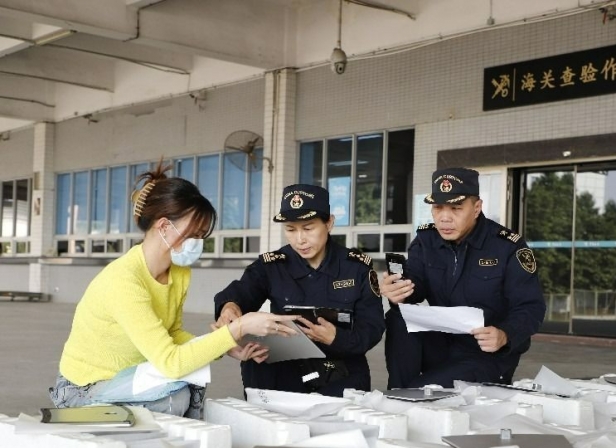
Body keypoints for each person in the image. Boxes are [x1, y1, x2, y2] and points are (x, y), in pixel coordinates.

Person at [51, 161, 296, 418]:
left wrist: (226, 346)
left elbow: (173, 332)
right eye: (194, 234)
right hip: (83, 390)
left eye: (202, 236)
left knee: (187, 386)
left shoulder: (178, 271)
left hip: (129, 378)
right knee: (174, 397)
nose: (198, 243)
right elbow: (171, 361)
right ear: (165, 226)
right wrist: (240, 327)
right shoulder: (124, 281)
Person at [379, 167, 546, 389]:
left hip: (486, 353)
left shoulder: (507, 247)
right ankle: (398, 391)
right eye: (438, 208)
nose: (444, 217)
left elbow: (531, 307)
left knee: (420, 390)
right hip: (442, 344)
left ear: (476, 208)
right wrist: (397, 292)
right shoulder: (426, 241)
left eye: (456, 208)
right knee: (398, 316)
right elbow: (415, 289)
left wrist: (505, 334)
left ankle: (404, 394)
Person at [214, 184, 385, 396]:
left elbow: (373, 326)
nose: (300, 239)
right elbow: (242, 291)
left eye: (308, 228)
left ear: (329, 223)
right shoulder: (273, 265)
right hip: (288, 363)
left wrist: (336, 338)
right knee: (256, 363)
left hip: (338, 362)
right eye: (291, 229)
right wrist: (230, 307)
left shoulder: (355, 267)